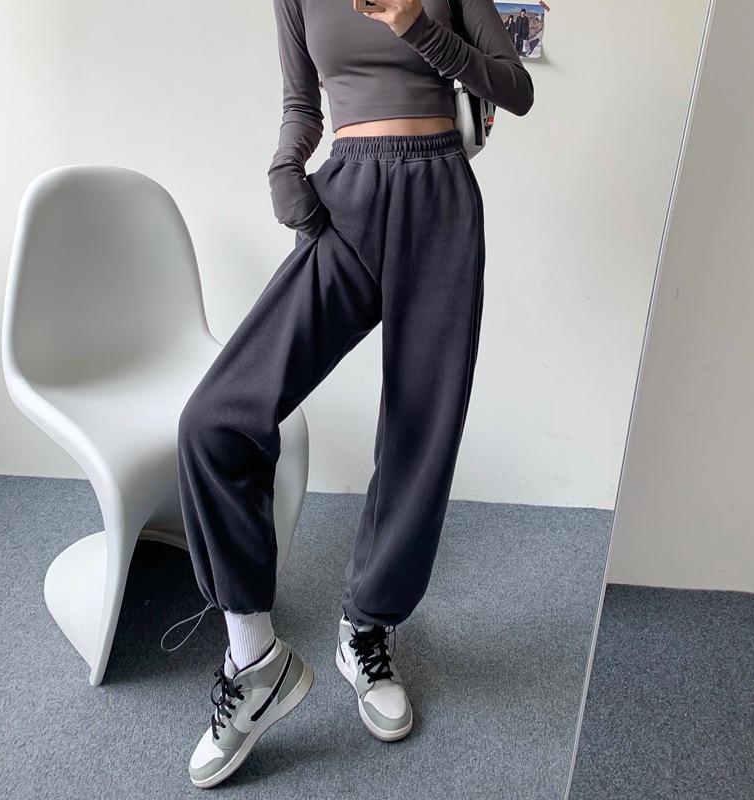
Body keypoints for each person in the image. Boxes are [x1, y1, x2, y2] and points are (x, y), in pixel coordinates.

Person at [164, 0, 533, 788]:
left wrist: (416, 26)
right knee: (216, 419)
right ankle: (253, 661)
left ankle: (366, 628)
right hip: (350, 197)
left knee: (419, 436)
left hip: (440, 197)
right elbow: (302, 104)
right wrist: (283, 168)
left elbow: (515, 88)